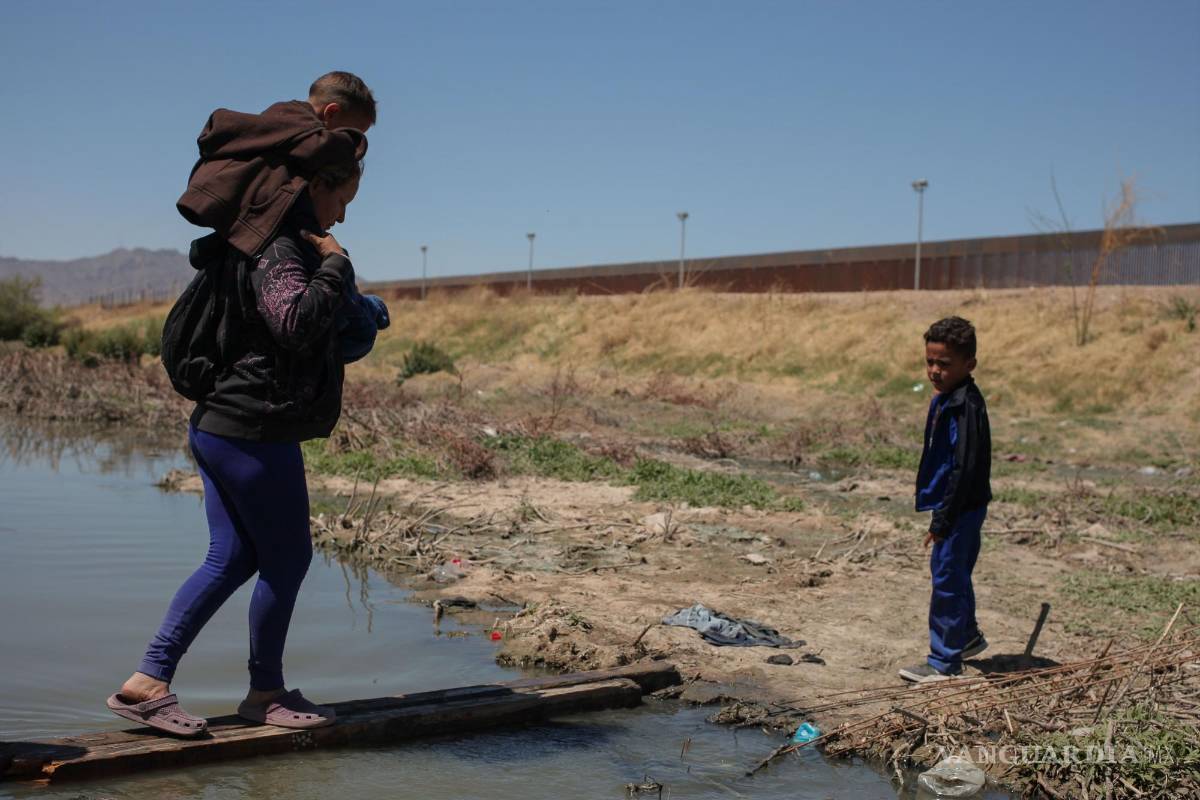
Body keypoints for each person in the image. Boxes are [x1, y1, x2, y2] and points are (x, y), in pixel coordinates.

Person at [107, 144, 369, 737]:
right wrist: (336, 265)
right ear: (316, 187)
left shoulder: (259, 243)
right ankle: (265, 693)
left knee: (231, 557)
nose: (342, 216)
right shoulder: (280, 248)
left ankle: (146, 684)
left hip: (223, 425)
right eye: (341, 199)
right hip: (254, 429)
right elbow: (294, 321)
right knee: (289, 558)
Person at [898, 316, 992, 683]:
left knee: (947, 578)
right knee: (954, 570)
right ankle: (965, 636)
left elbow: (964, 468)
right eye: (930, 362)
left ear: (969, 364)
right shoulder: (949, 398)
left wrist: (943, 520)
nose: (935, 371)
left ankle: (944, 662)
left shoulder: (964, 407)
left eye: (944, 364)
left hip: (961, 506)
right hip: (958, 504)